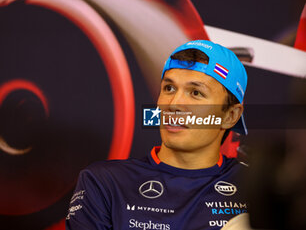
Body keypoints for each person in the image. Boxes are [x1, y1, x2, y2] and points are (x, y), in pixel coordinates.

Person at [65, 40, 249, 230]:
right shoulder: (104, 183)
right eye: (169, 88)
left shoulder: (257, 188)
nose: (175, 104)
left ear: (230, 116)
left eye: (195, 93)